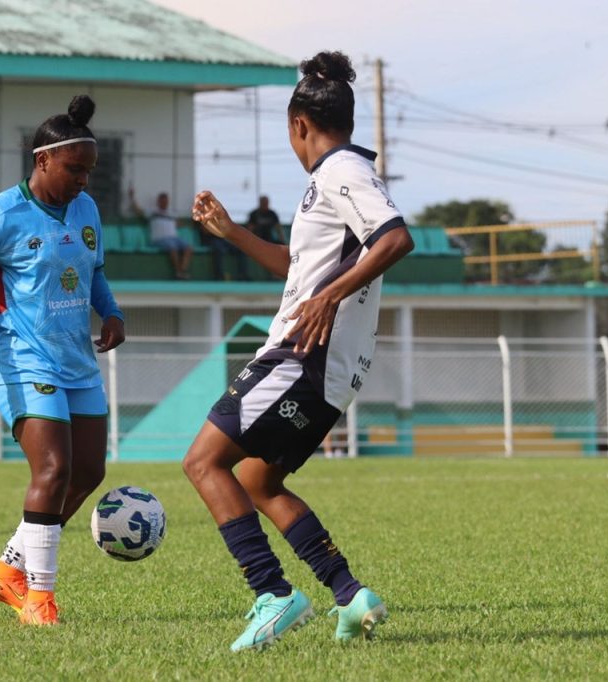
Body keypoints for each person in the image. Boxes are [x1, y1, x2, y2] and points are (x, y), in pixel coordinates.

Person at [183, 51, 415, 652]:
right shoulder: (335, 181)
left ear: (298, 125)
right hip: (329, 373)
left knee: (203, 463)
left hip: (299, 358)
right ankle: (349, 593)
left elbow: (395, 238)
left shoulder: (340, 173)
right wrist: (233, 233)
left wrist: (331, 298)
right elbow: (299, 273)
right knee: (261, 481)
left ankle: (273, 593)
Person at [0, 94, 125, 627]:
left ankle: (7, 569)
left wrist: (110, 313)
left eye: (89, 171)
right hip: (22, 359)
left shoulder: (86, 209)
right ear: (43, 160)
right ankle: (39, 597)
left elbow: (94, 272)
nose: (84, 180)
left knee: (88, 471)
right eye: (75, 169)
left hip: (78, 361)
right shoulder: (1, 214)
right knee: (53, 467)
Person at [131, 189, 193, 279]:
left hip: (174, 238)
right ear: (158, 201)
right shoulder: (152, 212)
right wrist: (132, 197)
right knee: (172, 248)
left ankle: (182, 270)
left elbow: (179, 224)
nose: (164, 203)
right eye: (162, 201)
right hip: (159, 239)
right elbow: (138, 210)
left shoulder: (172, 213)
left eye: (166, 201)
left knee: (188, 248)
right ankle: (179, 272)